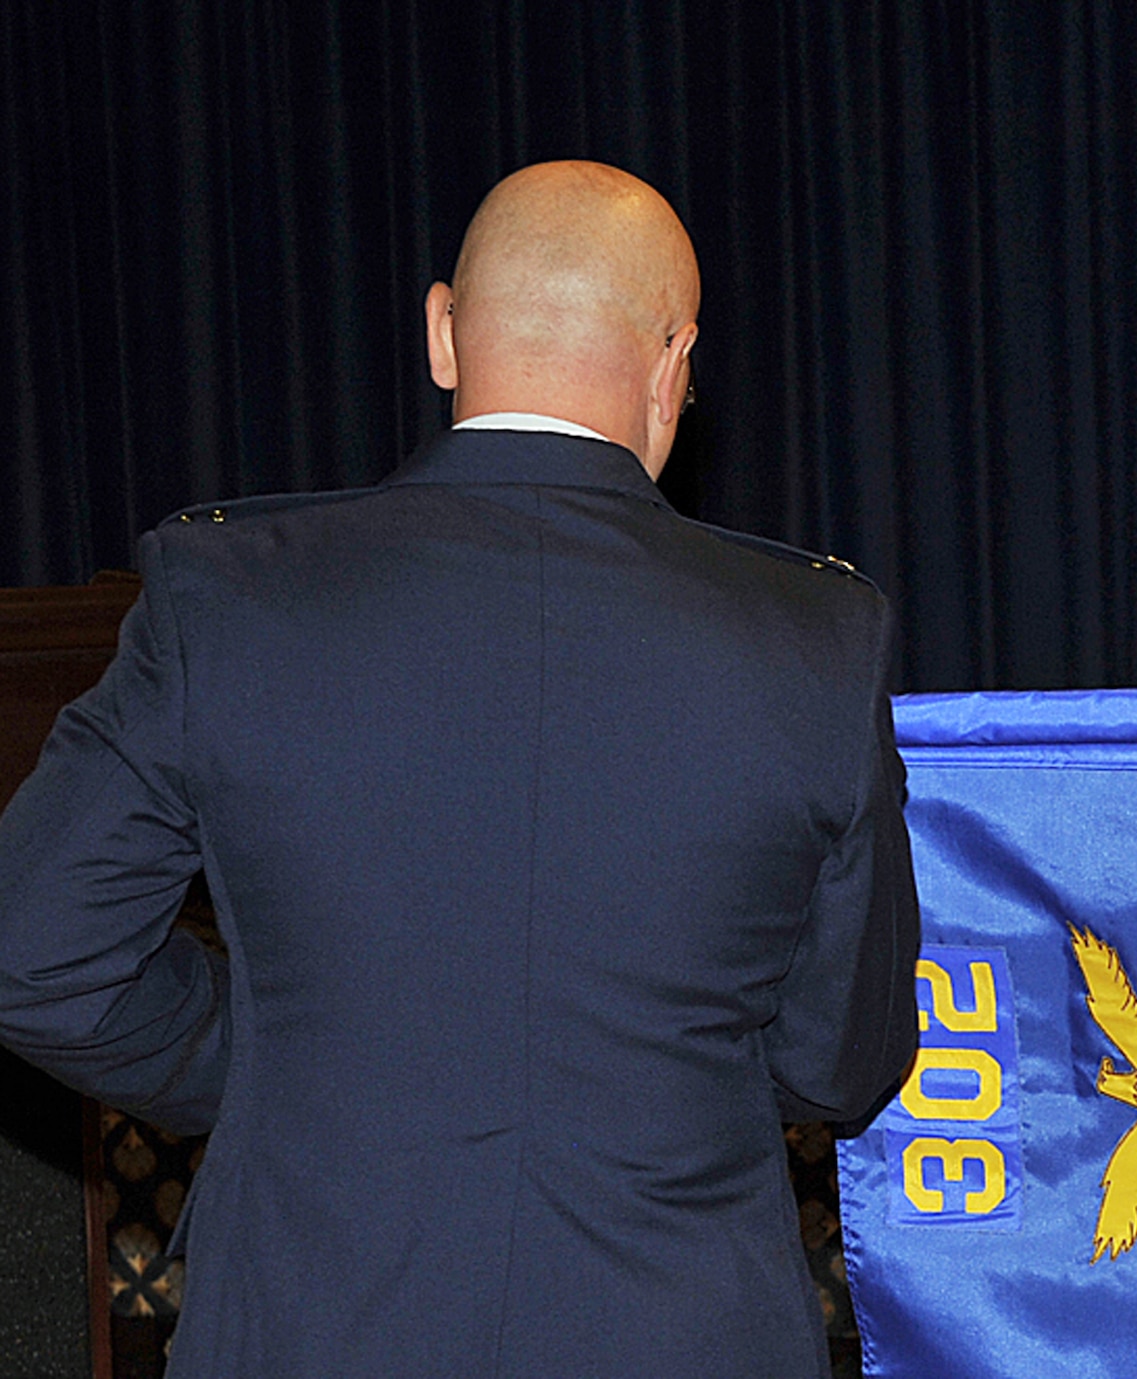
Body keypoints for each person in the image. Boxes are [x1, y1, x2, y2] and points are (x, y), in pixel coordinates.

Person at [0, 161, 920, 1378]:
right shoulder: (815, 638)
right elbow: (834, 1059)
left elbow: (33, 951)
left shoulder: (230, 596)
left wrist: (272, 1056)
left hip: (312, 1328)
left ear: (443, 332)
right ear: (671, 361)